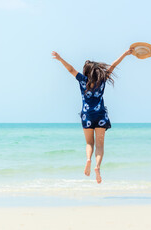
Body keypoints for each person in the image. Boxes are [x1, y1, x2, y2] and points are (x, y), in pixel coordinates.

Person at [52, 48, 133, 183]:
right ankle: (97, 167)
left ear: (87, 71)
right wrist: (125, 54)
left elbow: (71, 69)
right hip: (101, 115)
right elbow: (113, 65)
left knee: (90, 142)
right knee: (100, 145)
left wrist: (60, 59)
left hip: (87, 116)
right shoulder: (102, 79)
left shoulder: (83, 80)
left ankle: (88, 159)